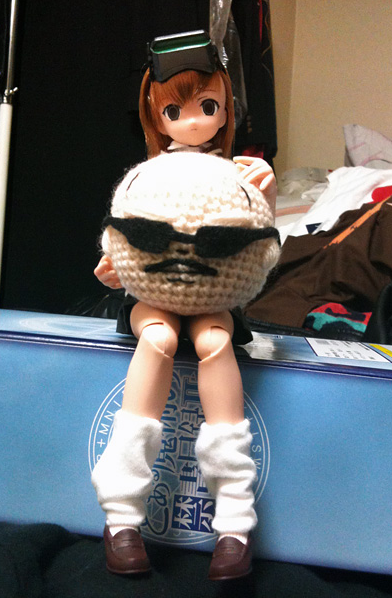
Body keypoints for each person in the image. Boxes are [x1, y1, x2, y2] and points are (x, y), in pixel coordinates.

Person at [91, 31, 278, 581]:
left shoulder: (241, 173)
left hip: (215, 297)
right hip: (151, 295)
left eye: (207, 106)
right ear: (157, 115)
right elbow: (124, 232)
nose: (193, 121)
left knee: (216, 341)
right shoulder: (148, 174)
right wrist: (113, 264)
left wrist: (266, 195)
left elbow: (262, 245)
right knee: (159, 338)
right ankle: (121, 515)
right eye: (175, 110)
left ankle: (235, 521)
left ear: (226, 106)